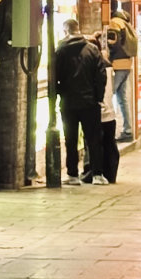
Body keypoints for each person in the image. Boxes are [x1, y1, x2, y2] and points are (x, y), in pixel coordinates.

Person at [52, 18, 106, 186]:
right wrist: (98, 97)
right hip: (90, 103)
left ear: (66, 31)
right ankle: (97, 174)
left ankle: (72, 174)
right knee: (93, 139)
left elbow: (54, 77)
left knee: (71, 139)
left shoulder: (60, 51)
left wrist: (59, 94)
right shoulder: (92, 50)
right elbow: (101, 76)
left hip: (68, 103)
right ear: (78, 29)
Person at [84, 33, 118, 186]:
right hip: (109, 111)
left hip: (99, 110)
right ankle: (110, 174)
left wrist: (98, 103)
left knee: (95, 144)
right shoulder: (107, 63)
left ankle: (94, 172)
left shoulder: (96, 66)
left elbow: (102, 89)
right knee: (109, 143)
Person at [104, 8, 137, 141]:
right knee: (122, 99)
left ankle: (107, 132)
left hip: (116, 65)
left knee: (107, 96)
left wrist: (107, 56)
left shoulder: (114, 23)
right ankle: (128, 130)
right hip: (127, 64)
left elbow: (113, 43)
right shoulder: (127, 24)